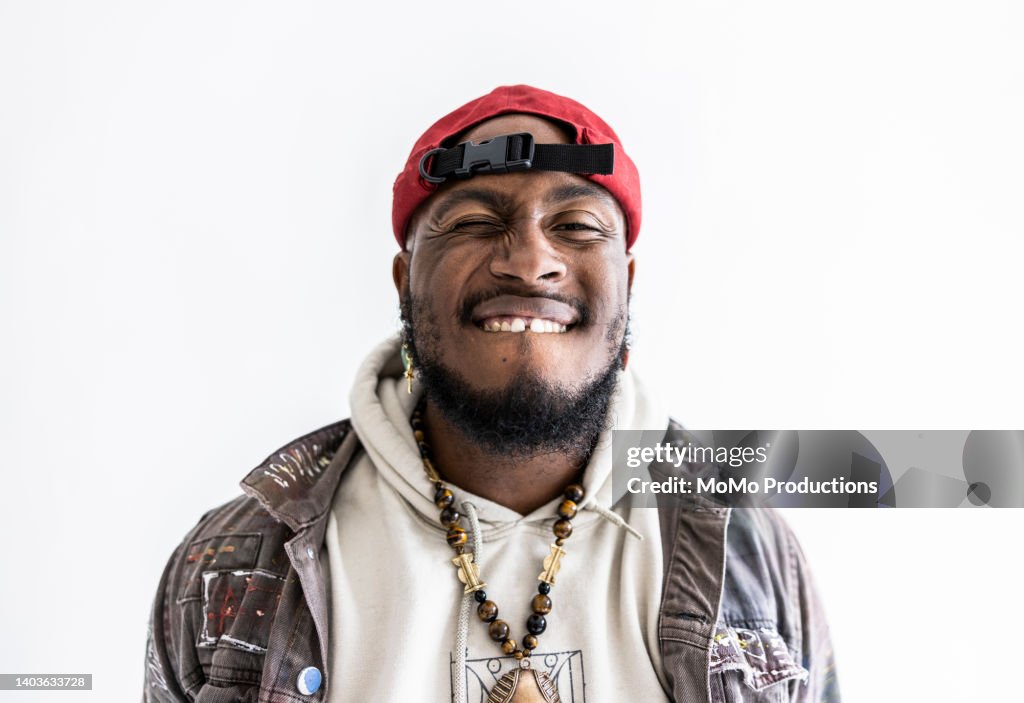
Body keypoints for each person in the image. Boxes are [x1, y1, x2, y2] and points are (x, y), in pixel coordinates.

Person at [143, 85, 839, 703]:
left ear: (627, 280)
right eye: (476, 220)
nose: (531, 259)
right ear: (404, 278)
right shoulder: (234, 565)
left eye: (576, 227)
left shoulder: (742, 547)